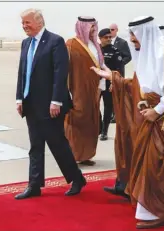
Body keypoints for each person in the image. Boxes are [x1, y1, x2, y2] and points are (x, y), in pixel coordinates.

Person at [91, 16, 164, 229]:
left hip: (163, 118)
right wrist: (112, 78)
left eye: (134, 35)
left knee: (153, 164)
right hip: (148, 117)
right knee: (147, 163)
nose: (132, 40)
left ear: (145, 33)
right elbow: (138, 86)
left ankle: (155, 212)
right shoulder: (146, 55)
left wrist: (157, 110)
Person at [15, 9, 86, 200]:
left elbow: (60, 73)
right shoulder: (26, 43)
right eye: (22, 23)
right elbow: (23, 73)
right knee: (35, 145)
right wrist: (19, 98)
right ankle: (34, 185)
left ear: (39, 22)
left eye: (27, 22)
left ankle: (76, 178)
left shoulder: (55, 41)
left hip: (50, 105)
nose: (24, 26)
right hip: (31, 104)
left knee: (57, 144)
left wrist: (56, 101)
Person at [65, 16, 110, 166]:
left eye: (94, 26)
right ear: (82, 27)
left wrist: (101, 87)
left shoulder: (95, 45)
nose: (93, 29)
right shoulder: (71, 44)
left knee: (92, 122)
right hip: (77, 90)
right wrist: (66, 92)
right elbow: (64, 70)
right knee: (76, 121)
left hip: (94, 90)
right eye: (90, 27)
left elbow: (101, 66)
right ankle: (71, 155)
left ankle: (86, 155)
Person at [98, 28, 123, 141]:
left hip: (109, 83)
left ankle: (104, 131)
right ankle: (98, 127)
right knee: (94, 106)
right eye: (106, 37)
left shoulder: (115, 51)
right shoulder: (96, 50)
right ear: (100, 38)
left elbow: (119, 70)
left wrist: (116, 83)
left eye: (110, 37)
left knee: (108, 107)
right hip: (97, 83)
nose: (108, 39)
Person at [109, 23, 132, 123]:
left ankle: (116, 115)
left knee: (118, 94)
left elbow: (128, 56)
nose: (111, 31)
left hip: (118, 72)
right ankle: (110, 114)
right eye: (109, 29)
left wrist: (120, 63)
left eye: (113, 29)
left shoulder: (122, 43)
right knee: (108, 96)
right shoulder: (106, 42)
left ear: (116, 30)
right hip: (108, 73)